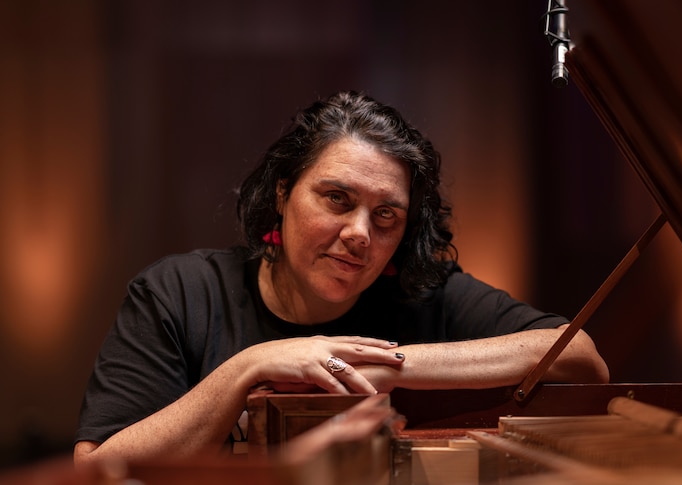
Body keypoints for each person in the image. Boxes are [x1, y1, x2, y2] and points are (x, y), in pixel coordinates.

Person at [73, 91, 608, 465]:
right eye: (337, 199)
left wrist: (390, 367)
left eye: (386, 215)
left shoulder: (422, 291)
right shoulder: (180, 293)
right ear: (283, 195)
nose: (359, 233)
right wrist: (246, 367)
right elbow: (98, 471)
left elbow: (580, 357)